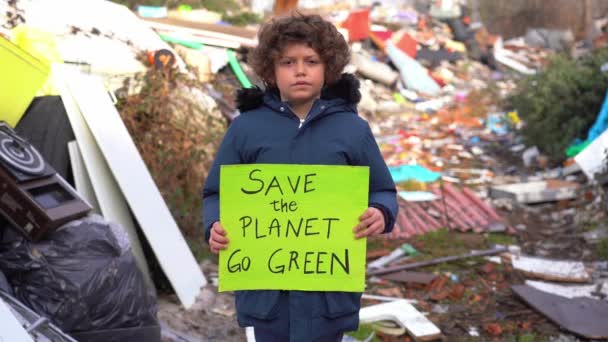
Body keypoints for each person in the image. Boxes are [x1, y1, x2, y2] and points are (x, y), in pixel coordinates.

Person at [202, 12, 398, 342]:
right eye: (288, 62)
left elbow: (382, 190)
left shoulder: (352, 130)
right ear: (270, 70)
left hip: (328, 296)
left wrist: (380, 212)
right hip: (268, 294)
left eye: (312, 61)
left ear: (329, 68)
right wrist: (215, 226)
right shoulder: (246, 129)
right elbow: (216, 193)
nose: (301, 70)